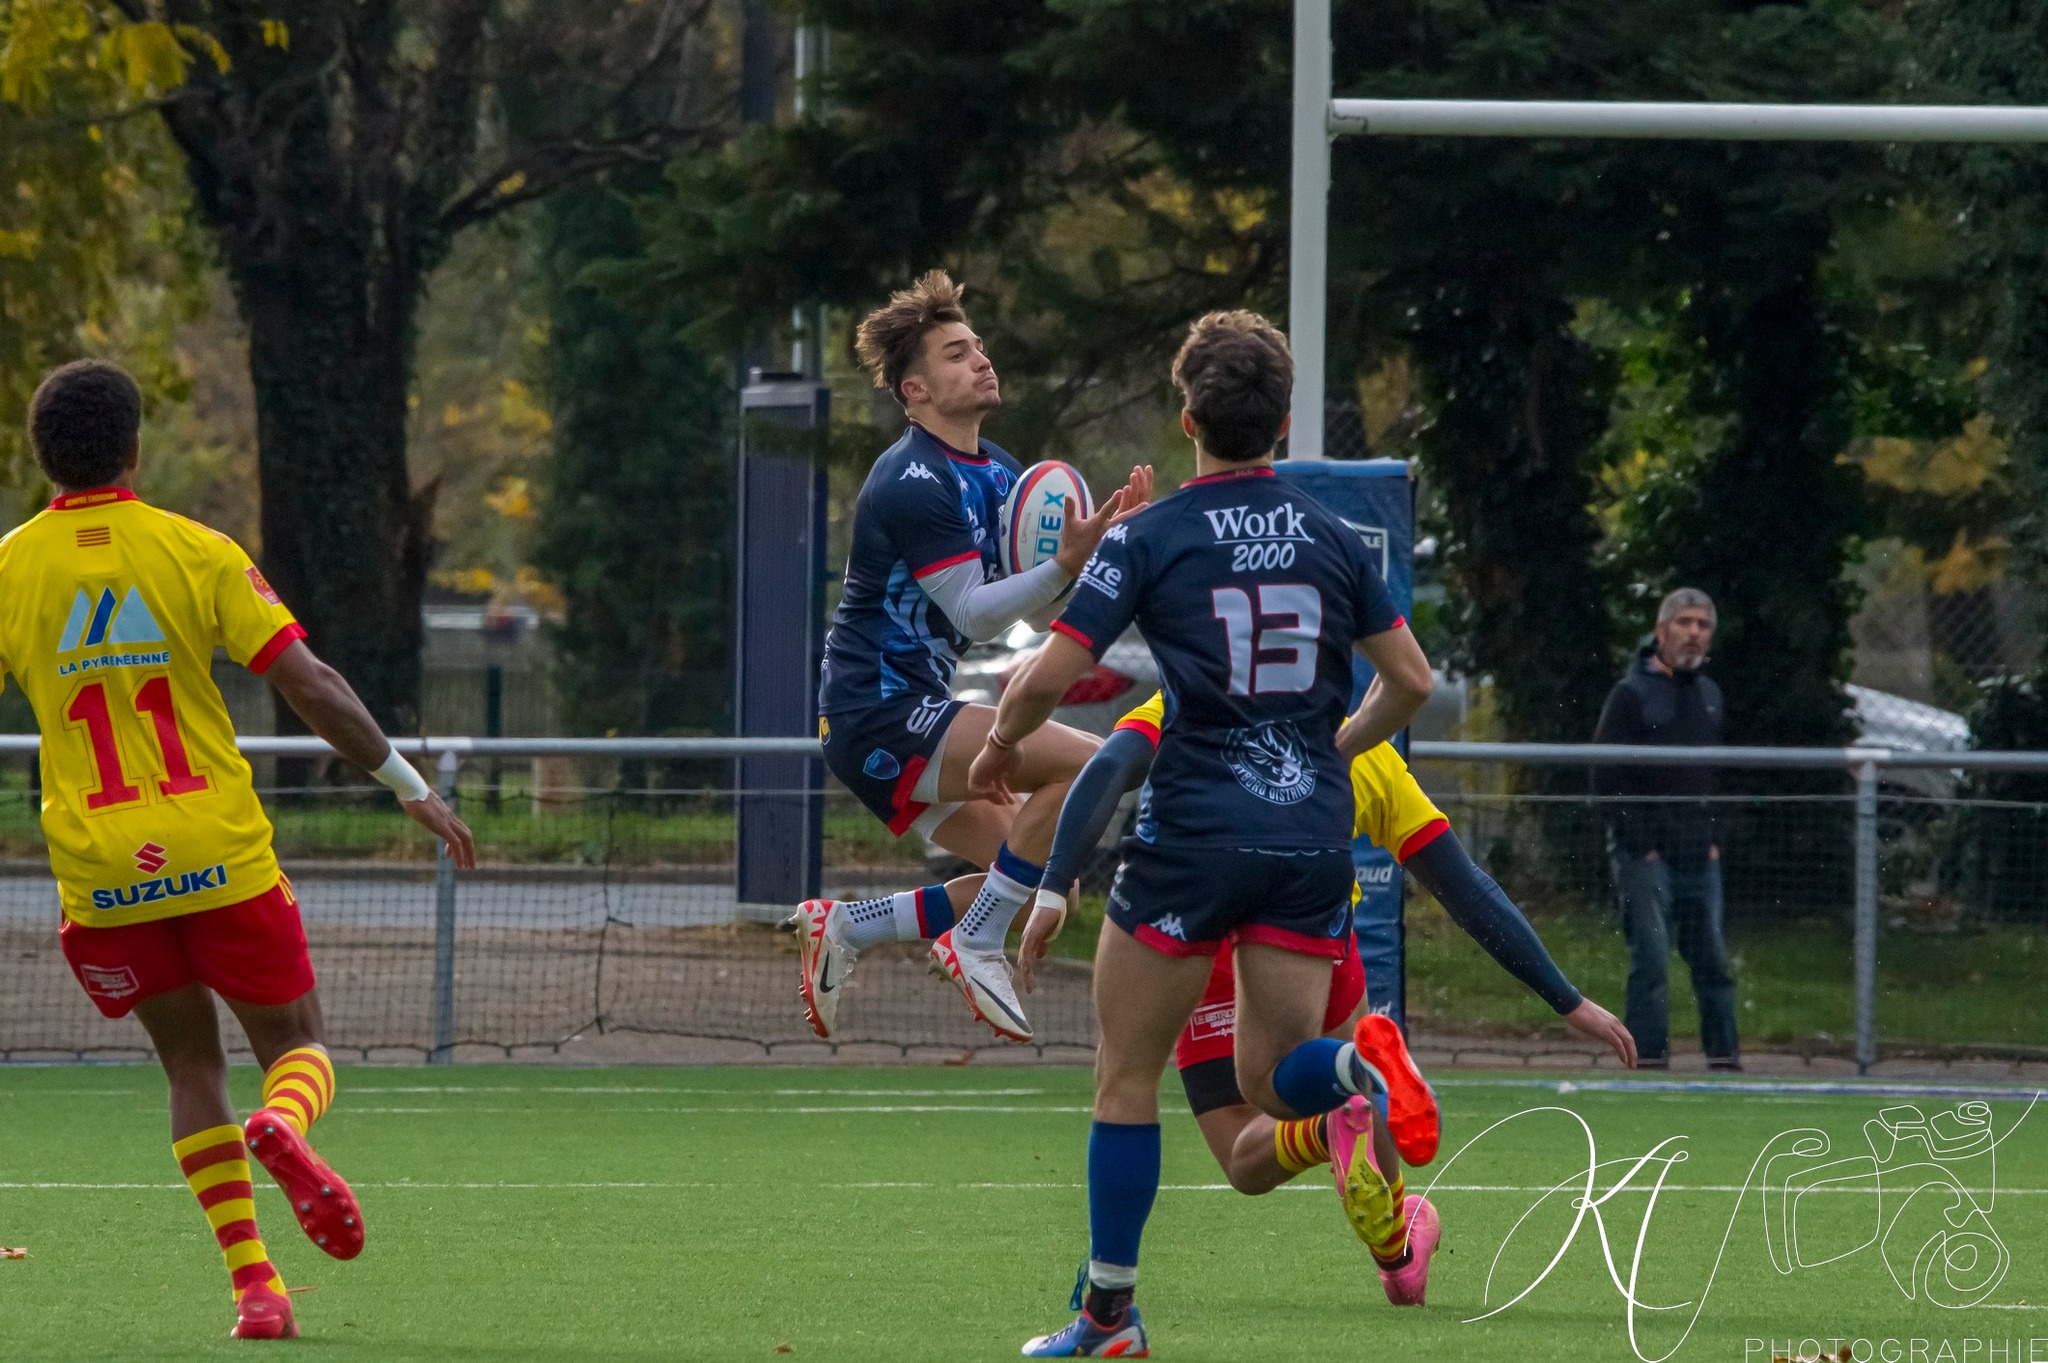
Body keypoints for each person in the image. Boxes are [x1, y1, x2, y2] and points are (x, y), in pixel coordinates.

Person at [968, 311, 1435, 1358]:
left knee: (1123, 1074)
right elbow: (1410, 681)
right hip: (1307, 835)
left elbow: (1046, 677)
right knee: (1277, 1080)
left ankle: (1108, 1319)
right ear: (1279, 421)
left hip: (1192, 833)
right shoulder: (1326, 535)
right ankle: (1360, 1067)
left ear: (1186, 419)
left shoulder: (1148, 535)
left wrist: (1000, 741)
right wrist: (1333, 747)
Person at [0, 360, 477, 1340]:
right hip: (218, 854)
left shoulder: (11, 567)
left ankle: (257, 1289)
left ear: (41, 457)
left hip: (100, 880)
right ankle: (285, 1126)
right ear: (135, 449)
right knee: (294, 1043)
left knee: (190, 1069)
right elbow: (310, 684)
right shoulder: (194, 549)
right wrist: (410, 787)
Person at [1020, 690, 1635, 1306]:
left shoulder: (1191, 693)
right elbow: (1462, 885)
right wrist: (1566, 999)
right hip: (1314, 938)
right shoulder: (1361, 745)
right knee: (1351, 1088)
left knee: (1207, 1127)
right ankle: (1394, 1251)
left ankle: (1111, 1293)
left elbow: (1106, 768)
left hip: (1197, 925)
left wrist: (1049, 882)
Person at [798, 270, 1149, 1045]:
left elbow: (1031, 599)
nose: (981, 360)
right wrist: (1063, 568)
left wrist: (1100, 552)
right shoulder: (910, 478)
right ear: (915, 389)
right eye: (958, 354)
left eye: (980, 347)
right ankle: (973, 940)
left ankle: (848, 926)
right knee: (1092, 765)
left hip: (904, 713)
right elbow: (976, 615)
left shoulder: (999, 473)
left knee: (1027, 868)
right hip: (878, 711)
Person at [1593, 587, 1738, 1071]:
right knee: (1651, 962)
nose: (1694, 633)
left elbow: (1718, 776)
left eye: (1703, 625)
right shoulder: (1630, 695)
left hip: (1700, 852)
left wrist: (1715, 840)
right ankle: (1647, 1060)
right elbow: (1606, 778)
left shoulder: (1712, 696)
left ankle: (1725, 1058)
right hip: (1645, 855)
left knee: (1713, 963)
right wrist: (1641, 844)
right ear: (1661, 631)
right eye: (1685, 623)